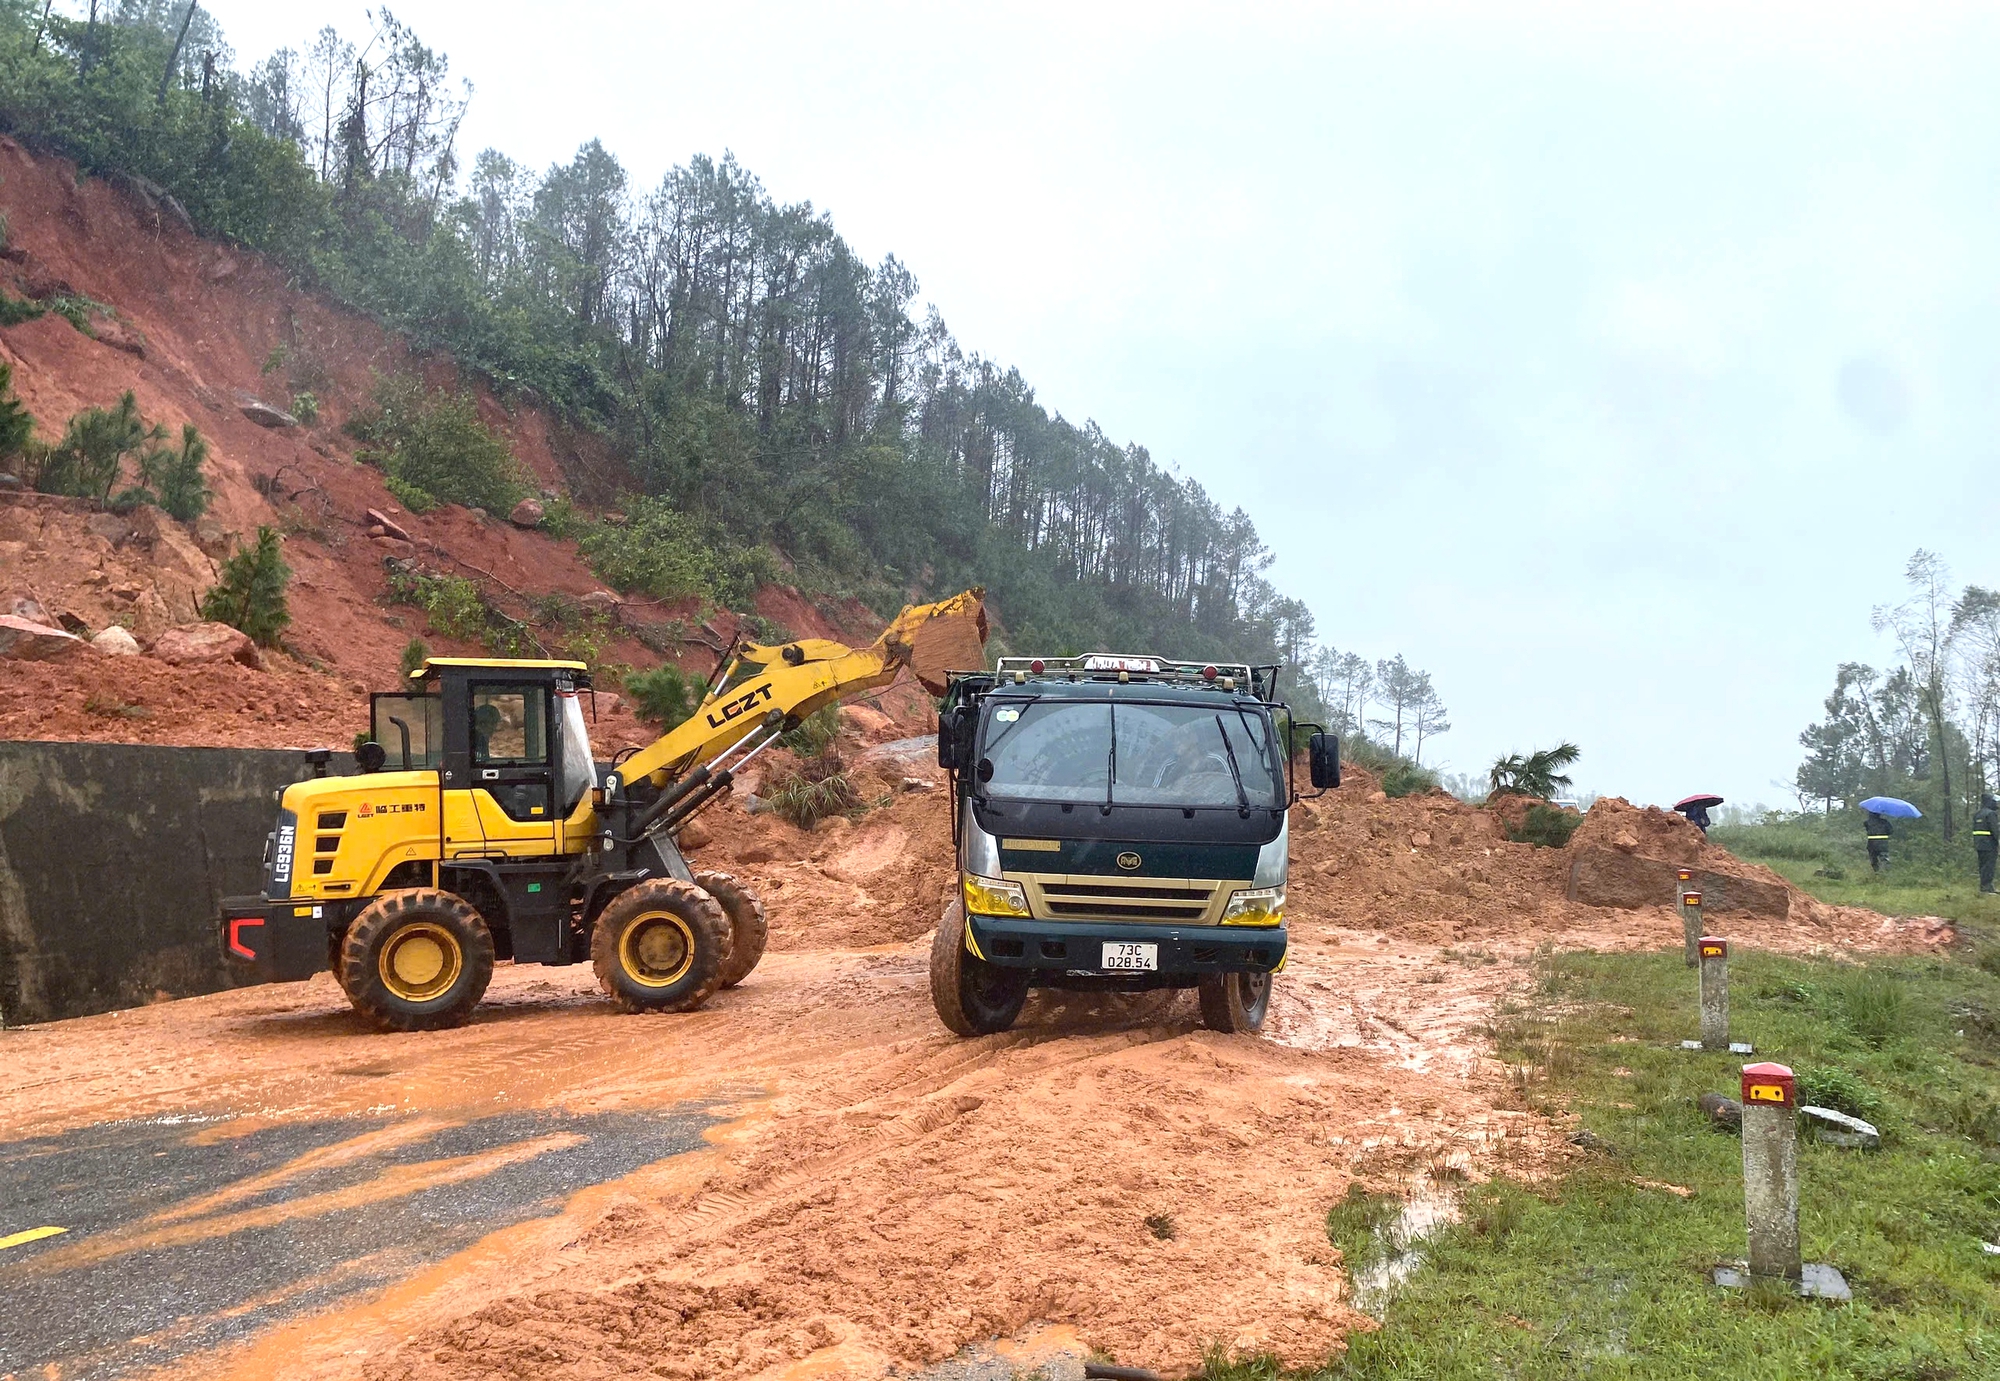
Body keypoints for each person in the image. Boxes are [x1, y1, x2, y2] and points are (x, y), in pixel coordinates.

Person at [1974, 793, 1999, 895]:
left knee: (1983, 866)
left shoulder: (1978, 814)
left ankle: (1985, 887)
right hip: (1989, 844)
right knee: (1989, 866)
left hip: (1979, 844)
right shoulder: (1991, 814)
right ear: (1990, 802)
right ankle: (1987, 888)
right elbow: (1995, 830)